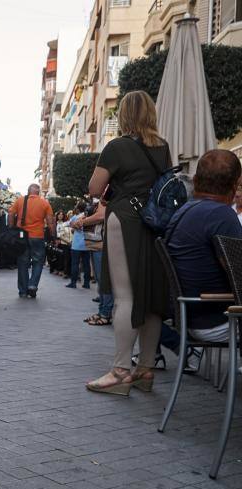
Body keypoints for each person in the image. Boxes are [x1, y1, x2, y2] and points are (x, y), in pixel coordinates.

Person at [85, 90, 172, 396]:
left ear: (124, 115)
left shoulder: (117, 146)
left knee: (125, 296)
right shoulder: (162, 147)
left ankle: (120, 371)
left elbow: (95, 188)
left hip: (125, 218)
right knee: (150, 295)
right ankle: (145, 370)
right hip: (156, 222)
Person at [168, 150, 242, 340]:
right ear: (234, 187)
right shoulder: (221, 216)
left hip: (189, 316)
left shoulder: (184, 211)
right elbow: (239, 274)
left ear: (196, 180)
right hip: (217, 321)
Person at [8, 184, 54, 298]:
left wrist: (11, 228)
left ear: (28, 191)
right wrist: (53, 235)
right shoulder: (45, 203)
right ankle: (32, 285)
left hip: (22, 236)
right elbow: (50, 222)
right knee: (38, 262)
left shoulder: (20, 201)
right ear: (38, 192)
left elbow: (10, 213)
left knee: (22, 263)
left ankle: (23, 291)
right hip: (37, 236)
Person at [65, 202, 91, 289]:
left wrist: (73, 228)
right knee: (86, 264)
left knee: (75, 264)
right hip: (86, 243)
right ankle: (87, 284)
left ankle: (73, 283)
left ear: (78, 209)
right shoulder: (88, 217)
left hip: (76, 244)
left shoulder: (76, 217)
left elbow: (69, 224)